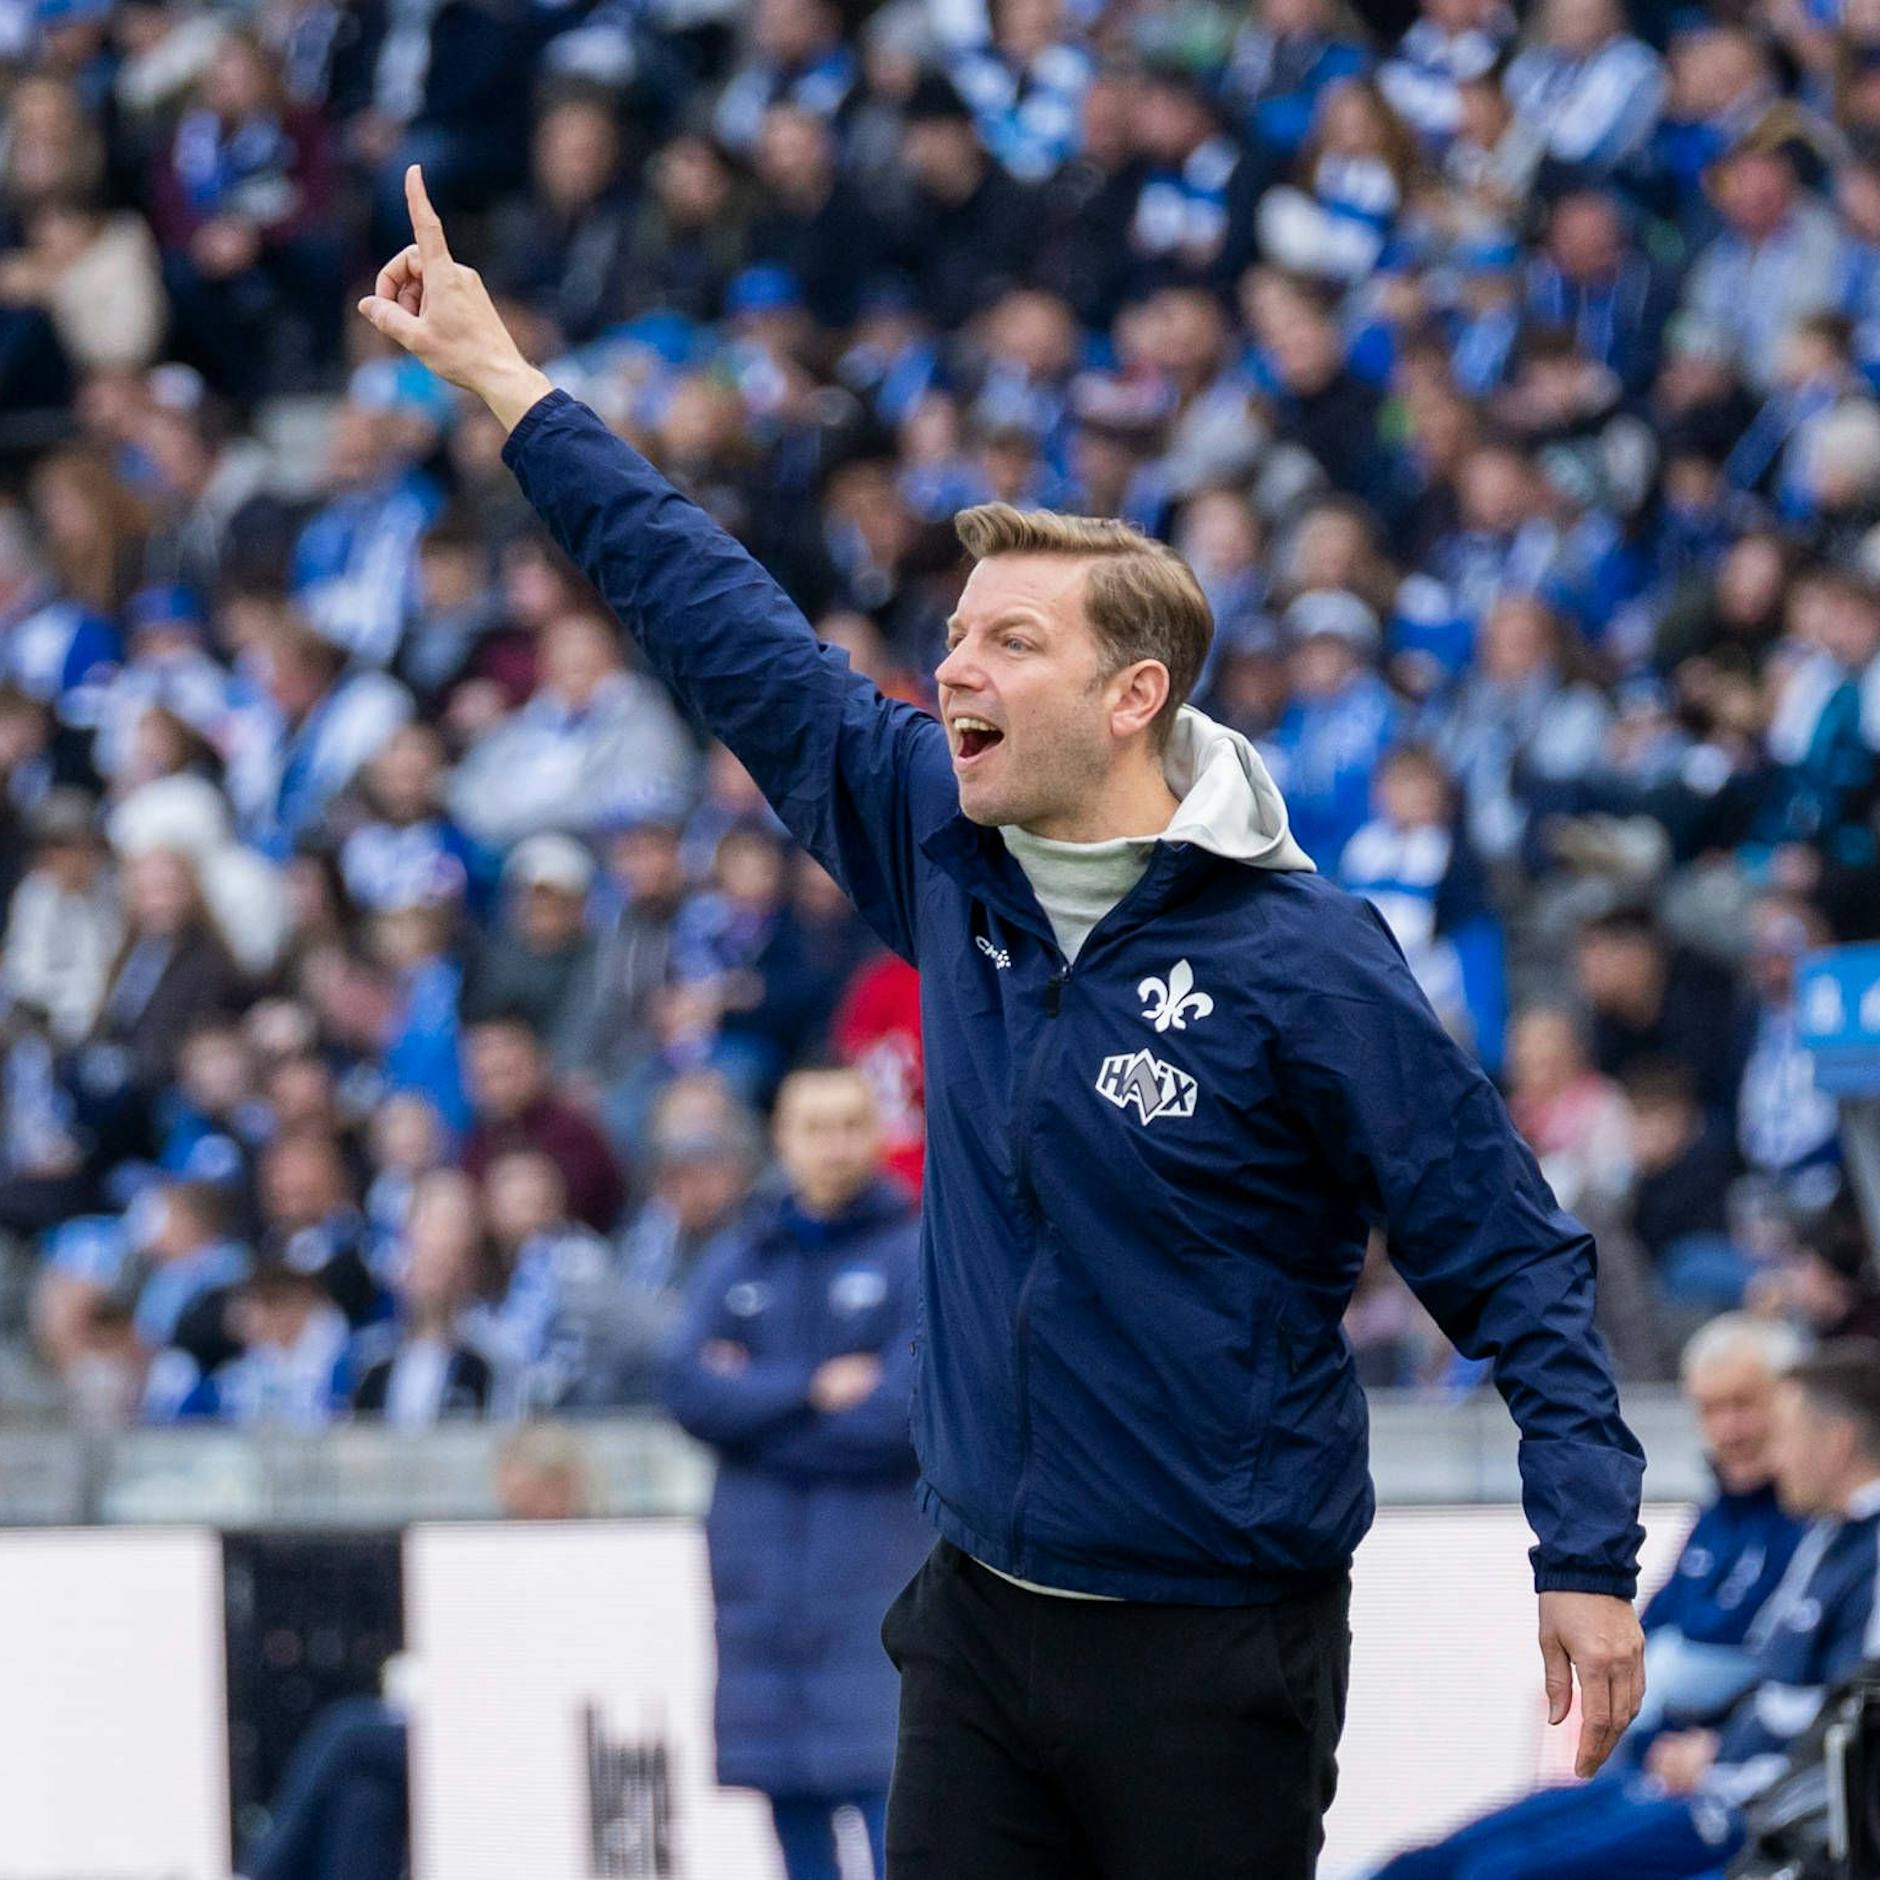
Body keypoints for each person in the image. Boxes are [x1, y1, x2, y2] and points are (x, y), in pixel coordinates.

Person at [359, 166, 1649, 1878]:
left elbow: (1514, 1261)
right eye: (955, 636)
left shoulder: (1306, 960)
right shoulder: (933, 837)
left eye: (1008, 643)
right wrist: (514, 391)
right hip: (972, 1622)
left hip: (1215, 1646)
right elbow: (715, 616)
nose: (952, 670)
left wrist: (1586, 1554)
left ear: (1133, 698)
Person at [1371, 1337, 1880, 1878]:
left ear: (1836, 1442)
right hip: (1680, 1771)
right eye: (1710, 1410)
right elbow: (1681, 1645)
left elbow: (1840, 1726)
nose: (1762, 1445)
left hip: (1738, 1807)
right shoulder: (1809, 1534)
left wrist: (1713, 1754)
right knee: (1427, 1864)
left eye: (1770, 1422)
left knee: (1494, 1872)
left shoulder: (1838, 1543)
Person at [663, 1064, 928, 1880]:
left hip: (877, 1592)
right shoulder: (740, 1256)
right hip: (763, 1604)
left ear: (878, 1132)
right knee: (796, 1839)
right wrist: (815, 1389)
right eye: (814, 1126)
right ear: (781, 1138)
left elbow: (907, 1409)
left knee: (901, 1829)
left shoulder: (919, 1249)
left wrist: (757, 1414)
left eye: (850, 1124)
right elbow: (685, 1387)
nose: (833, 1144)